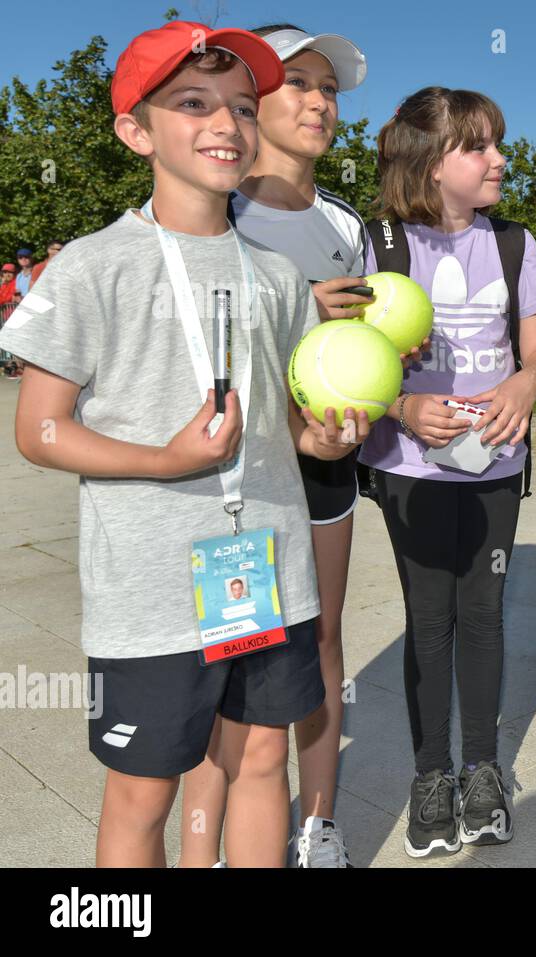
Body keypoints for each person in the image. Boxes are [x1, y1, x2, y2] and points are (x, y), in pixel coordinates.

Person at [0, 20, 362, 867]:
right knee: (144, 790)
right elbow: (38, 428)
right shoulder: (93, 266)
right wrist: (166, 460)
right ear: (136, 131)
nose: (226, 125)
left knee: (263, 758)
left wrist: (318, 436)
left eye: (242, 105)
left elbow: (287, 419)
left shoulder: (279, 277)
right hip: (152, 585)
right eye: (193, 103)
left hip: (265, 567)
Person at [177, 23, 375, 869]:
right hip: (234, 474)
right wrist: (297, 307)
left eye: (329, 89)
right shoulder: (212, 203)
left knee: (323, 639)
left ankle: (317, 824)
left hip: (323, 468)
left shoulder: (345, 220)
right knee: (227, 658)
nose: (320, 102)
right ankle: (213, 842)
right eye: (299, 83)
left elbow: (370, 357)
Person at [361, 86, 536, 858]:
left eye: (497, 143)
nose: (498, 158)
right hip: (411, 469)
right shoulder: (377, 244)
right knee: (429, 619)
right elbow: (348, 363)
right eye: (478, 146)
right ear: (430, 162)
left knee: (484, 615)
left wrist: (524, 383)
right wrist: (404, 408)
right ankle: (429, 774)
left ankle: (481, 769)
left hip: (494, 468)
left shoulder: (514, 243)